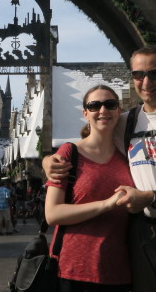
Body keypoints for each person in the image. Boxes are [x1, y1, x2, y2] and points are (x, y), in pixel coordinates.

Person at [44, 45, 156, 292]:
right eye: (139, 74)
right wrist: (49, 161)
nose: (146, 81)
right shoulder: (125, 122)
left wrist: (152, 197)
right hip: (140, 235)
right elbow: (91, 135)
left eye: (155, 74)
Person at [45, 85, 134, 292]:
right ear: (85, 113)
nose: (103, 110)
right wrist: (106, 204)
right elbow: (52, 213)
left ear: (118, 111)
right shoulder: (70, 153)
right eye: (94, 106)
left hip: (118, 271)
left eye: (110, 104)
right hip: (73, 270)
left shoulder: (129, 157)